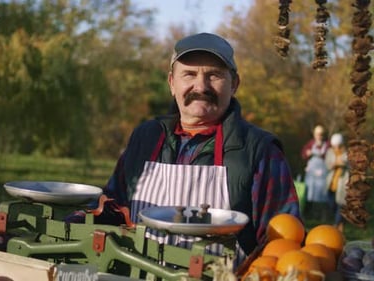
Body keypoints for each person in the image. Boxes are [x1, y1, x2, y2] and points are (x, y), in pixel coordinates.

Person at [102, 33, 301, 265]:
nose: (201, 86)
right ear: (171, 83)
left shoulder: (260, 151)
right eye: (189, 74)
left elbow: (283, 242)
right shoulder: (145, 138)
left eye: (214, 75)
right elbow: (112, 208)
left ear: (234, 84)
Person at [301, 125, 329, 220]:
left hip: (322, 175)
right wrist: (307, 153)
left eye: (321, 134)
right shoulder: (310, 143)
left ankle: (323, 216)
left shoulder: (327, 145)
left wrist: (323, 155)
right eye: (317, 134)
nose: (319, 136)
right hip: (311, 175)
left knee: (322, 195)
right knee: (309, 194)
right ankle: (309, 214)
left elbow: (330, 157)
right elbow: (303, 154)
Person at [325, 133, 348, 231]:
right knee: (332, 203)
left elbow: (351, 165)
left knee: (340, 203)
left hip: (342, 183)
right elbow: (327, 164)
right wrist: (335, 164)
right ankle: (340, 222)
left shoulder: (347, 153)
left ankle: (336, 223)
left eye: (338, 145)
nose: (336, 147)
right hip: (331, 182)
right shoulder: (330, 152)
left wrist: (345, 164)